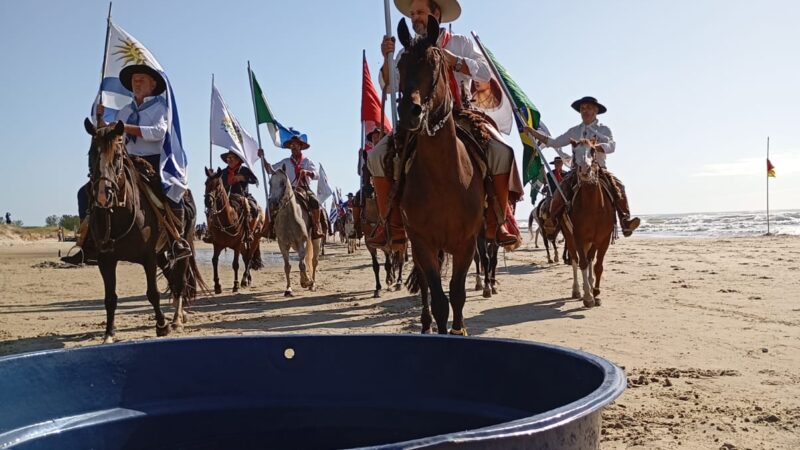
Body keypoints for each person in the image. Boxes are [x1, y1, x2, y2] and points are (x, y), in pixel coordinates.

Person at [365, 0, 523, 247]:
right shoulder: (409, 49)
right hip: (419, 116)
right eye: (412, 13)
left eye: (420, 12)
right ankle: (391, 225)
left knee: (503, 153)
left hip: (461, 114)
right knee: (376, 156)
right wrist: (386, 58)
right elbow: (389, 85)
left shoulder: (461, 42)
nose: (414, 17)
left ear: (436, 14)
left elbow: (485, 72)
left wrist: (455, 61)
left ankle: (498, 221)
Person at [62, 64, 190, 265]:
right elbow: (112, 135)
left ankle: (177, 240)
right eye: (134, 80)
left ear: (153, 84)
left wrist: (125, 127)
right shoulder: (125, 110)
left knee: (170, 190)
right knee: (86, 192)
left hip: (154, 161)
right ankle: (89, 243)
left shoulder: (160, 108)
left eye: (141, 80)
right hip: (126, 161)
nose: (136, 83)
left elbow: (158, 132)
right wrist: (101, 120)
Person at [526, 96, 640, 236]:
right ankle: (552, 221)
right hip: (576, 171)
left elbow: (612, 146)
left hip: (599, 169)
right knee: (560, 190)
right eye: (582, 108)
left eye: (589, 108)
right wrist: (533, 132)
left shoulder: (604, 130)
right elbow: (555, 142)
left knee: (619, 186)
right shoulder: (574, 131)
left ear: (596, 111)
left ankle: (625, 221)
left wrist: (593, 147)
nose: (585, 111)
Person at [258, 133, 325, 239]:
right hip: (288, 190)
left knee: (315, 202)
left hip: (303, 189)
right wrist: (262, 158)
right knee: (271, 202)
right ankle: (267, 228)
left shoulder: (307, 161)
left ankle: (317, 226)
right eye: (291, 145)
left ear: (300, 146)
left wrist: (307, 172)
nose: (293, 147)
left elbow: (316, 175)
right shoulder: (285, 161)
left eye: (295, 145)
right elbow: (270, 170)